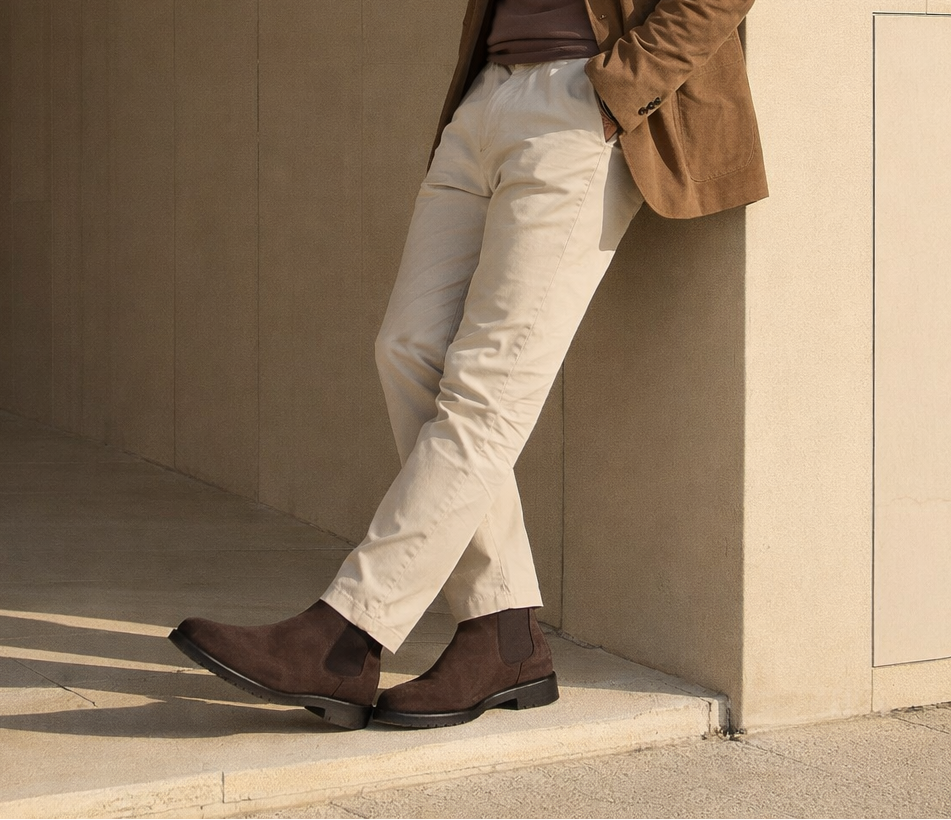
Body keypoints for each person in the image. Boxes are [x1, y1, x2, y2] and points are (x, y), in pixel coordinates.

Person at [169, 0, 768, 731]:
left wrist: (617, 90)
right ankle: (501, 633)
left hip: (583, 101)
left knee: (488, 387)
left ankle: (346, 637)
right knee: (407, 349)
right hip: (485, 97)